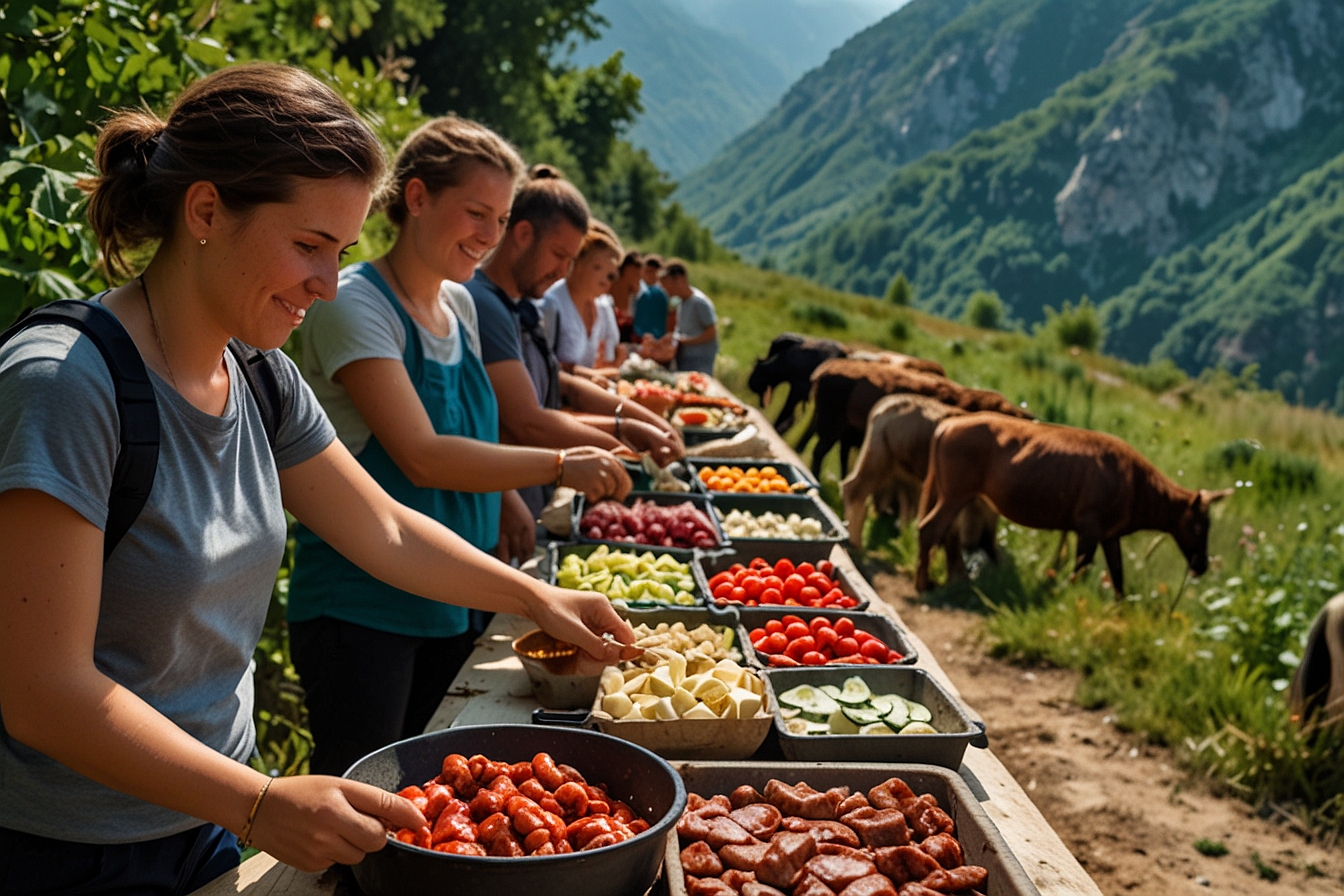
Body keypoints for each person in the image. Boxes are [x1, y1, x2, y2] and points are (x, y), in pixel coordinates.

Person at [0, 63, 636, 893]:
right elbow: (43, 692)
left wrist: (535, 599)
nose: (328, 285)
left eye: (340, 253)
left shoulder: (260, 374)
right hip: (70, 853)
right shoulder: (64, 383)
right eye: (307, 246)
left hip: (206, 823)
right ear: (204, 211)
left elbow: (387, 528)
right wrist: (262, 803)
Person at [287, 116, 634, 777]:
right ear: (415, 198)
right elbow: (420, 452)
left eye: (500, 220)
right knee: (366, 795)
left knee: (439, 795)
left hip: (454, 595)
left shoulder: (462, 305)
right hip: (365, 609)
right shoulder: (356, 305)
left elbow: (470, 431)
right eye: (476, 213)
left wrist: (505, 497)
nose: (489, 237)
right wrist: (561, 464)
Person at [465, 167, 682, 516]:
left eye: (570, 259)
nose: (563, 272)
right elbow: (528, 420)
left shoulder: (521, 307)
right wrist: (622, 446)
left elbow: (565, 389)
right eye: (558, 255)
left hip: (531, 499)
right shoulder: (485, 305)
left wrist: (632, 423)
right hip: (503, 507)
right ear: (522, 234)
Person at [547, 222, 625, 373]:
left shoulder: (601, 307)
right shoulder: (551, 303)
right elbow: (541, 366)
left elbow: (604, 363)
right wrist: (592, 375)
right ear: (577, 263)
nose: (605, 281)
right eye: (597, 268)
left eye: (610, 276)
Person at [664, 258, 719, 374]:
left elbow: (712, 332)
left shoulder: (699, 302)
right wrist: (673, 337)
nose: (666, 289)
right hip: (684, 363)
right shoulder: (681, 302)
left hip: (700, 364)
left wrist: (686, 341)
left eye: (668, 284)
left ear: (679, 279)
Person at [632, 253, 669, 339]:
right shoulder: (636, 288)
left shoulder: (665, 292)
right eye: (648, 271)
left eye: (654, 272)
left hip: (659, 336)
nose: (650, 275)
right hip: (637, 336)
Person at [610, 250, 643, 344]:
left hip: (625, 325)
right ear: (628, 269)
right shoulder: (612, 282)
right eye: (637, 273)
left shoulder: (634, 288)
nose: (639, 277)